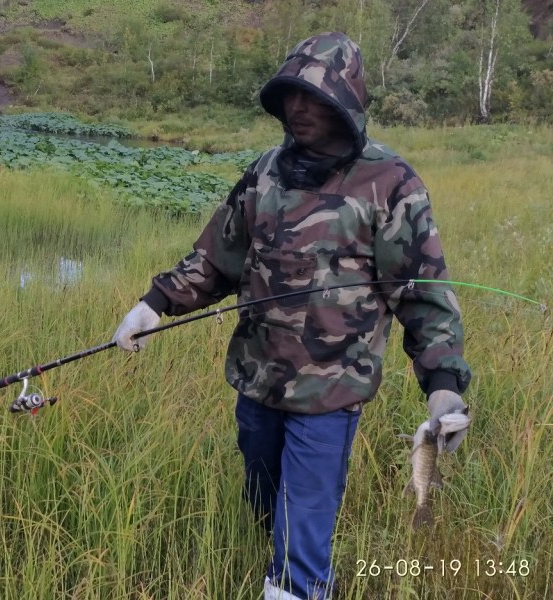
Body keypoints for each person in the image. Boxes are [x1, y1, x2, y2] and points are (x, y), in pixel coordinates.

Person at [112, 32, 472, 600]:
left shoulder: (390, 184)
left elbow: (423, 294)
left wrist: (444, 387)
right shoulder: (264, 173)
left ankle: (297, 587)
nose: (299, 108)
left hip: (329, 396)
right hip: (257, 383)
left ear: (346, 102)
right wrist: (152, 305)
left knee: (301, 538)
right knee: (264, 501)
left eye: (315, 97)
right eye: (291, 96)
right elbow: (215, 258)